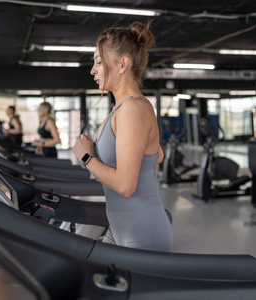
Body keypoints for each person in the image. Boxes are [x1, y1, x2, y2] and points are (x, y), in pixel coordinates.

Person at [72, 21, 173, 252]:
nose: (92, 70)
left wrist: (87, 158)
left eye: (98, 61)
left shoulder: (133, 108)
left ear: (123, 64)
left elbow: (126, 186)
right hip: (119, 229)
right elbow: (156, 157)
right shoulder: (120, 109)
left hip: (142, 233)